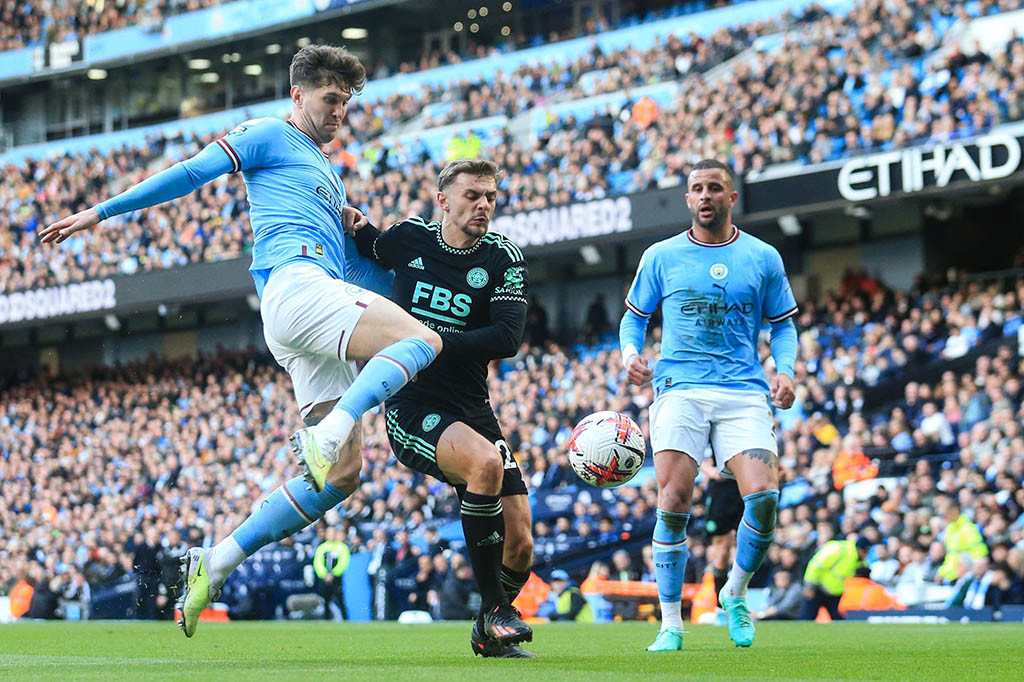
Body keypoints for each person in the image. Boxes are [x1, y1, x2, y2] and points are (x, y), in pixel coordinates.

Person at [39, 45, 443, 638]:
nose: (339, 113)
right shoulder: (268, 134)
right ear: (297, 94)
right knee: (422, 343)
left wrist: (369, 241)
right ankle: (324, 433)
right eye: (330, 100)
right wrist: (100, 213)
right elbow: (191, 173)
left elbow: (367, 283)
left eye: (346, 104)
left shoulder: (326, 178)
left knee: (344, 475)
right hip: (295, 287)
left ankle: (218, 559)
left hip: (311, 309)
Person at [348, 158, 534, 657]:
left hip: (473, 406)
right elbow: (371, 244)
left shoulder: (502, 257)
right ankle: (496, 612)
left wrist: (432, 339)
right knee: (484, 463)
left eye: (490, 197)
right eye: (472, 195)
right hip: (414, 404)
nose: (483, 205)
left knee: (521, 546)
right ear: (443, 200)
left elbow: (507, 337)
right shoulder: (412, 238)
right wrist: (355, 223)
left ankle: (486, 628)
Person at [619, 159, 798, 651]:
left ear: (731, 197)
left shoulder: (762, 257)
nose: (705, 196)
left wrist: (786, 369)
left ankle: (734, 593)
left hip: (743, 390)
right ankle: (671, 624)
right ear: (687, 198)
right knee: (673, 501)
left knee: (763, 498)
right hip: (679, 388)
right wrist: (632, 356)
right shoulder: (661, 255)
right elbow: (633, 320)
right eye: (696, 188)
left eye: (714, 188)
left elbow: (783, 325)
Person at [800, 536, 870, 620]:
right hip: (818, 589)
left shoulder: (859, 560)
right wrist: (809, 587)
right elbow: (815, 566)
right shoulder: (838, 550)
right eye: (865, 552)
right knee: (807, 618)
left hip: (836, 593)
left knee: (838, 623)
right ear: (859, 549)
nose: (866, 555)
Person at [313, 526, 350, 621]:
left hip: (337, 579)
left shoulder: (342, 547)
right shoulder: (322, 547)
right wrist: (324, 574)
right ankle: (326, 620)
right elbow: (318, 562)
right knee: (325, 600)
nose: (331, 535)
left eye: (333, 533)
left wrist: (334, 573)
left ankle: (345, 620)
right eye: (329, 533)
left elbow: (344, 562)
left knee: (340, 600)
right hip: (325, 578)